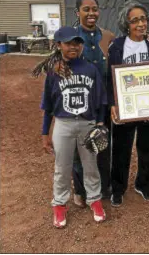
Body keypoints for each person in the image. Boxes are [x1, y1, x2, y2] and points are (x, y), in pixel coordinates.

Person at [36, 26, 107, 227]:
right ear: (59, 45)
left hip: (87, 123)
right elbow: (48, 106)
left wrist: (100, 123)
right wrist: (44, 133)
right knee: (62, 167)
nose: (73, 47)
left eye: (77, 43)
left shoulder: (90, 69)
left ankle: (94, 199)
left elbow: (100, 100)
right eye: (68, 43)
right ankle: (59, 204)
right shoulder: (54, 71)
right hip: (63, 124)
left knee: (91, 165)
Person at [107, 0, 149, 207]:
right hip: (126, 107)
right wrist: (113, 104)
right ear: (126, 24)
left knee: (148, 148)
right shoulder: (117, 46)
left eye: (143, 19)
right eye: (135, 20)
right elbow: (110, 77)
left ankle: (144, 185)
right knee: (121, 149)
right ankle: (118, 188)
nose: (141, 24)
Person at [70, 0, 116, 206]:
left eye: (95, 9)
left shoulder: (108, 36)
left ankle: (103, 186)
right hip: (79, 104)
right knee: (80, 150)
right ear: (77, 11)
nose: (91, 13)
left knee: (102, 144)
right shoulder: (68, 38)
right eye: (86, 9)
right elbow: (55, 67)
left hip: (104, 102)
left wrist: (148, 39)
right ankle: (80, 190)